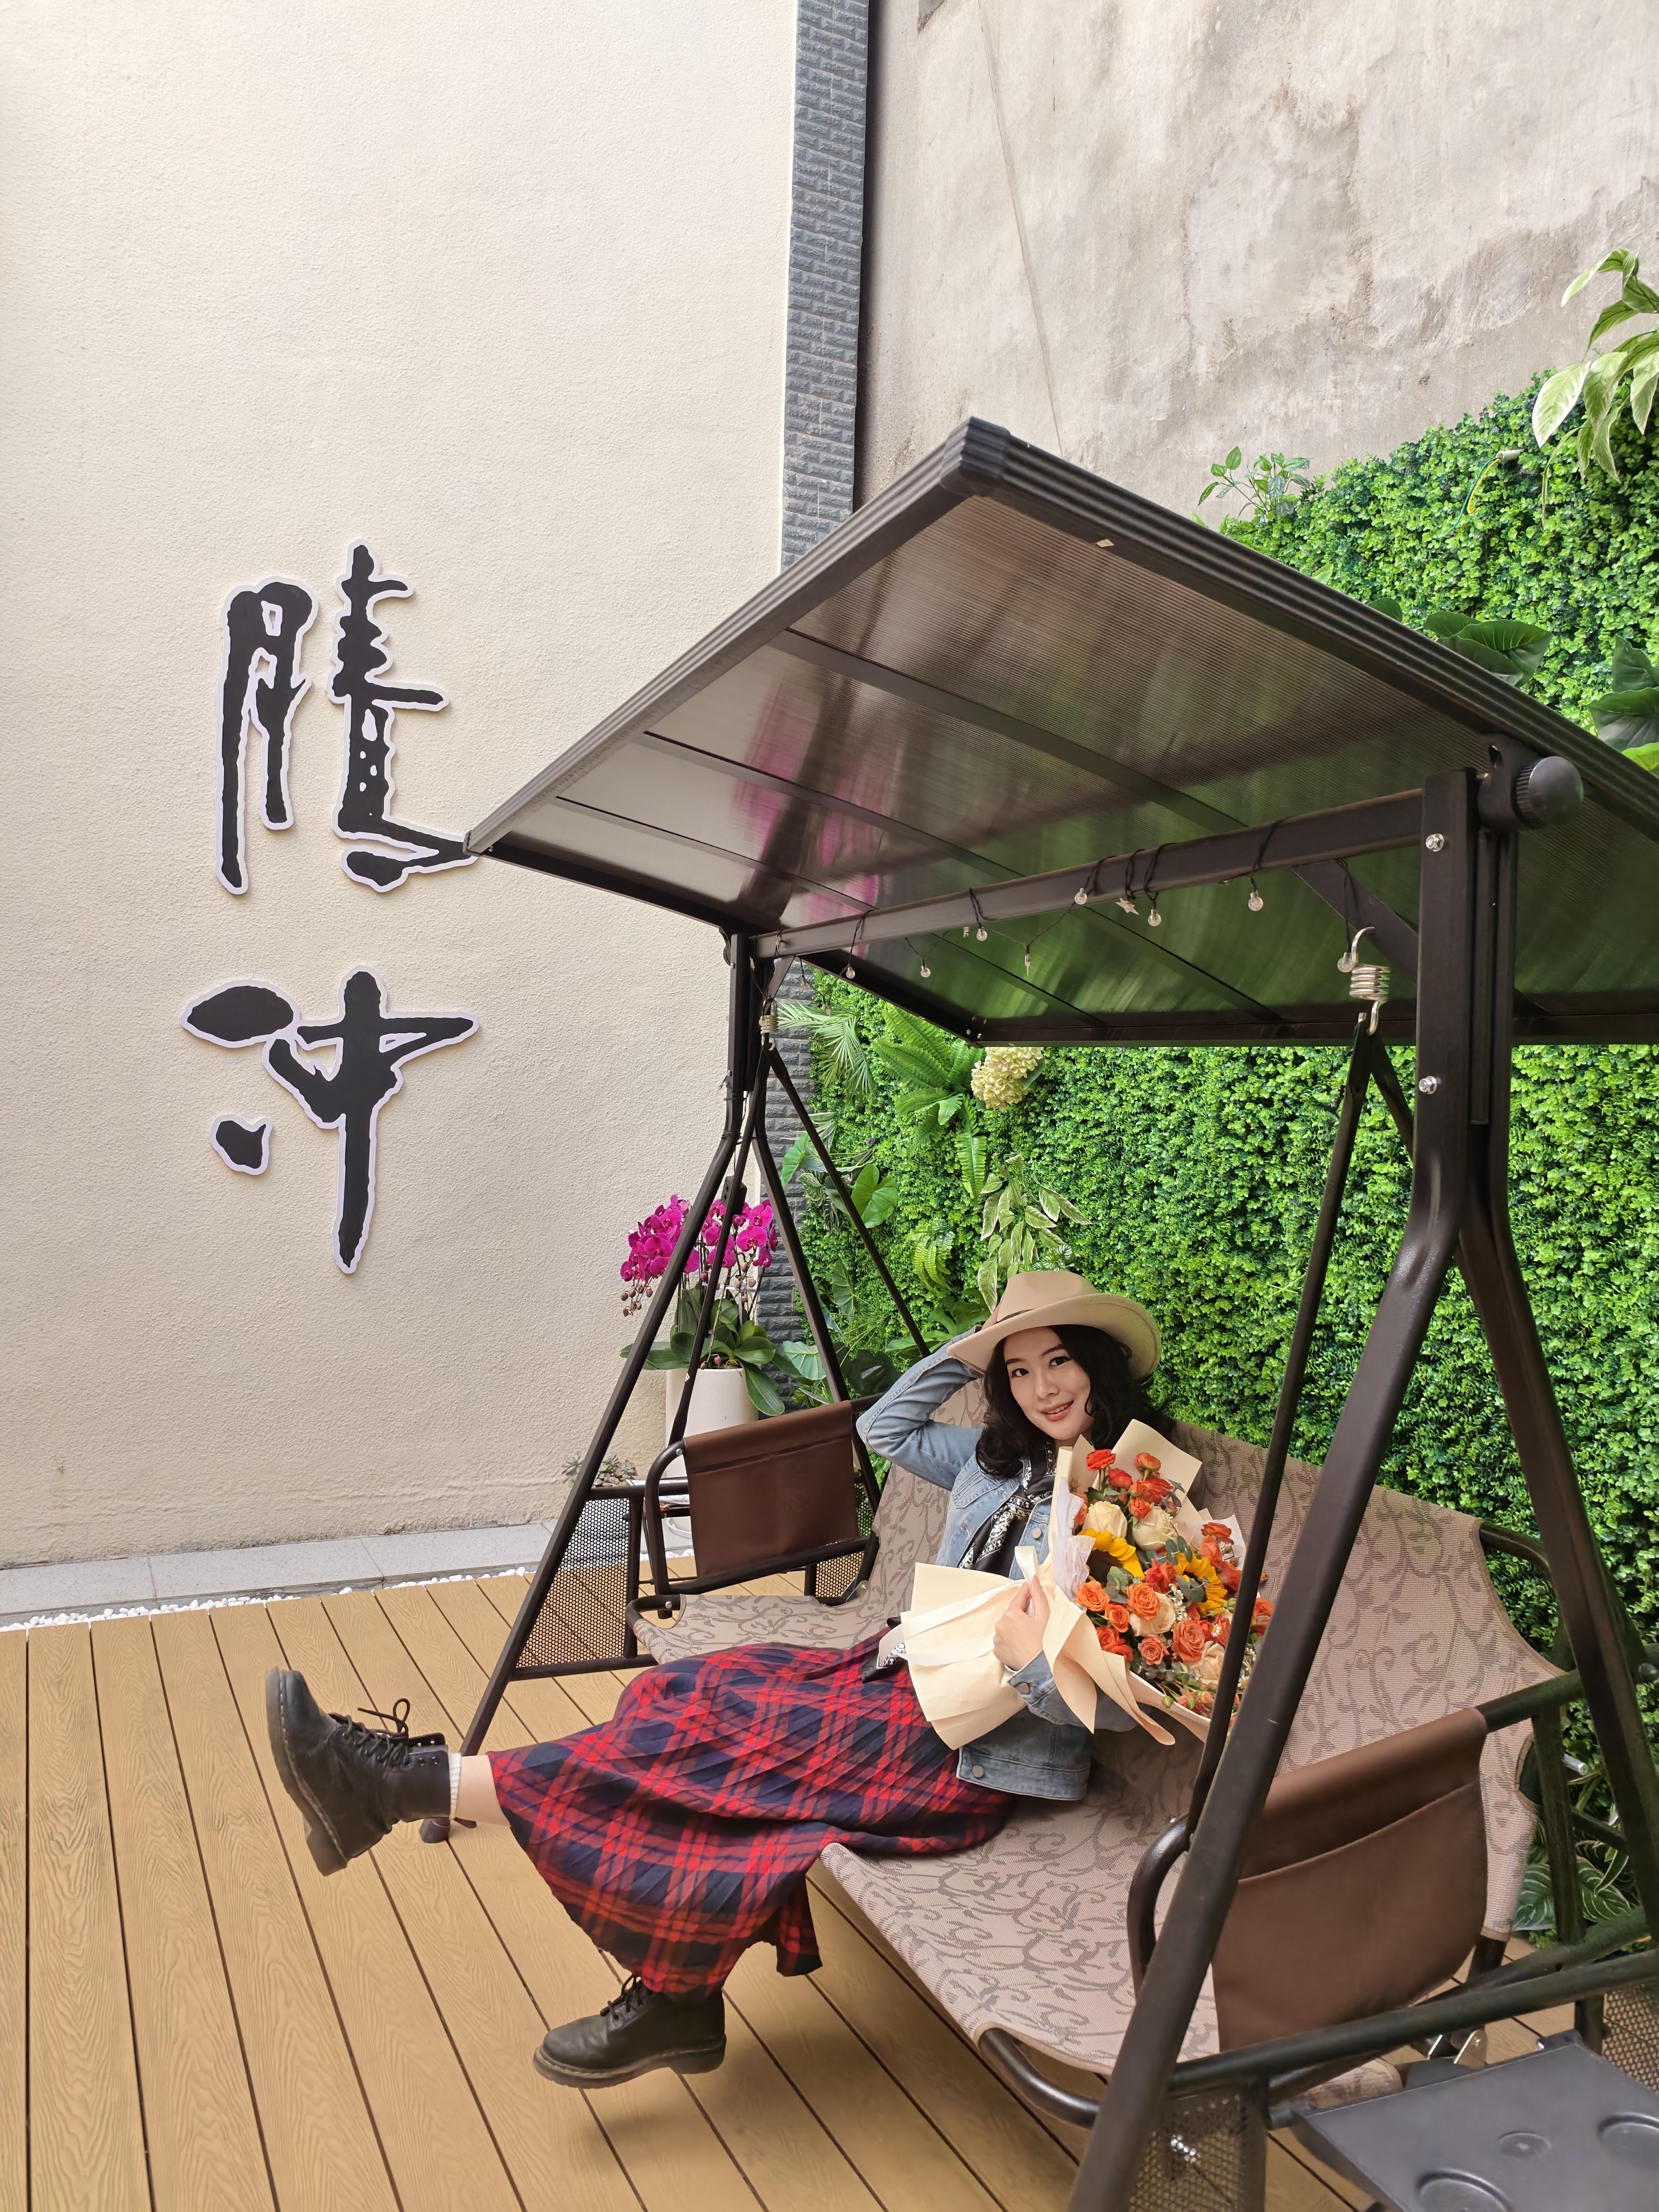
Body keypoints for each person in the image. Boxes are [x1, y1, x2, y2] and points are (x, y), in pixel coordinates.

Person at [264, 1270, 1162, 2089]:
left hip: (962, 1754)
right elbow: (885, 1427)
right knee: (680, 1695)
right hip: (889, 1676)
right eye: (1019, 1372)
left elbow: (1124, 1714)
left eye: (1060, 1361)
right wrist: (975, 1347)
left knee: (707, 1746)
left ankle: (402, 1785)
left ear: (1099, 1363)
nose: (1043, 1389)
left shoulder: (1136, 1509)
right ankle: (679, 1995)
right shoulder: (991, 1459)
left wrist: (1028, 1660)